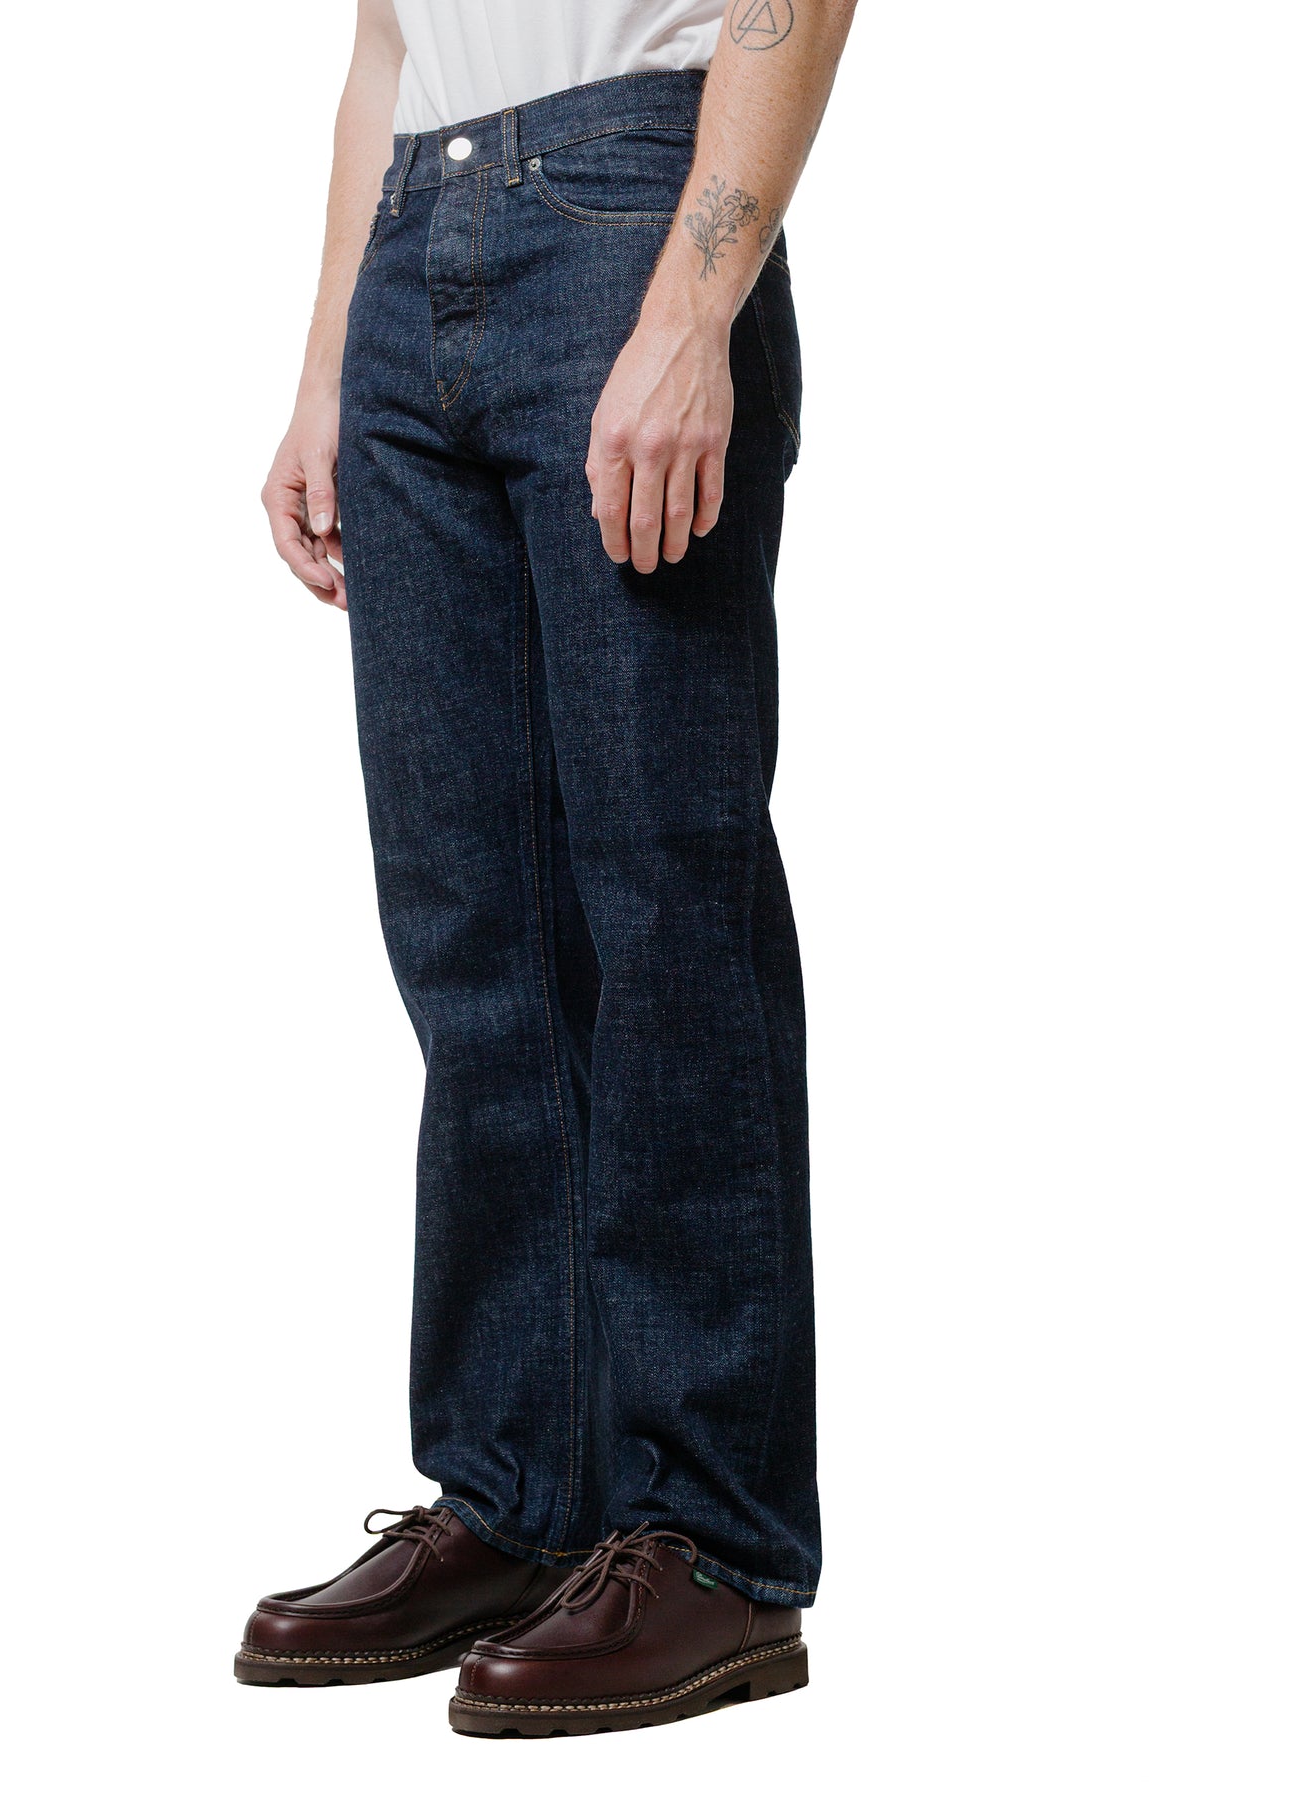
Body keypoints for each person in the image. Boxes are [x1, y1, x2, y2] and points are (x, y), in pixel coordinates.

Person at [235, 0, 857, 1737]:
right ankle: (517, 1496)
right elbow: (384, 40)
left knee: (664, 910)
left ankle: (713, 1538)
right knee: (471, 932)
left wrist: (692, 310)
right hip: (410, 239)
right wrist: (327, 365)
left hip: (627, 215)